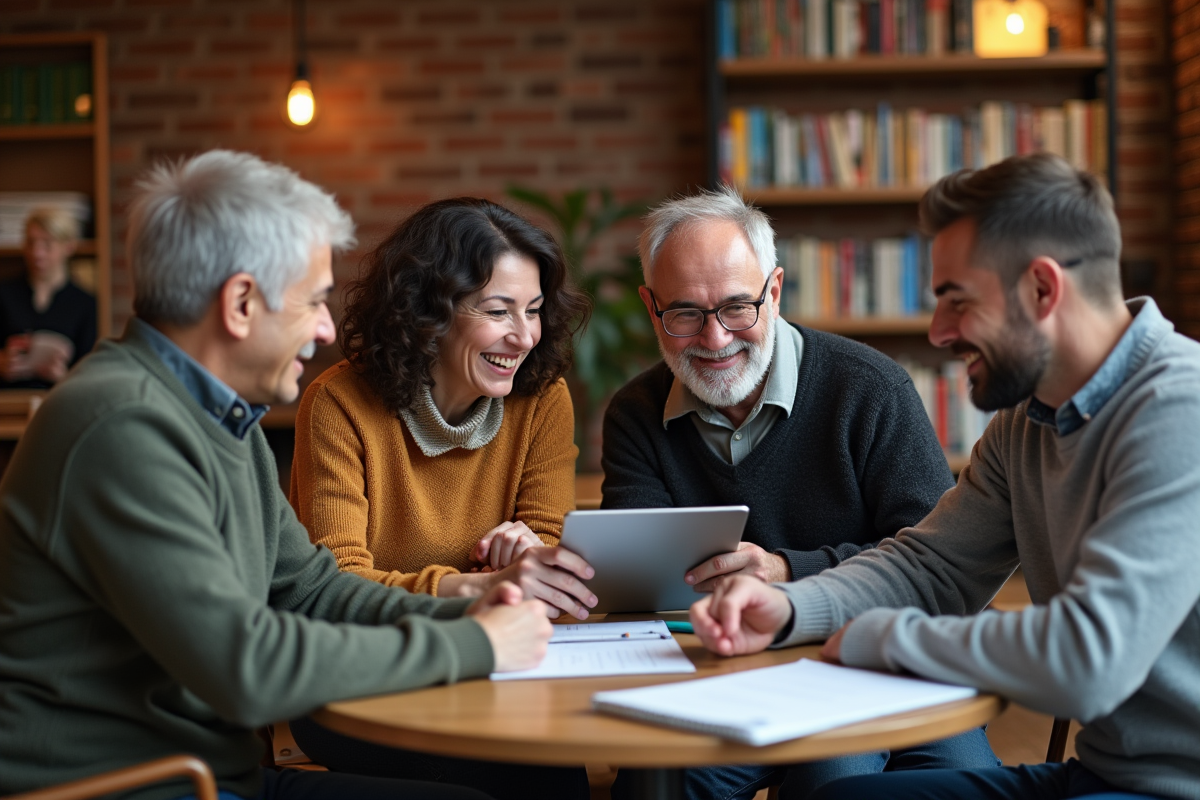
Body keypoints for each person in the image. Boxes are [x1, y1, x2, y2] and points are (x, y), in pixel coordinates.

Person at [0, 150, 554, 800]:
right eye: (314, 300)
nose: (325, 330)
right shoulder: (121, 425)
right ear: (240, 303)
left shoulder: (220, 419)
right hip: (127, 788)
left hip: (206, 776)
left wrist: (461, 608)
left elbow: (309, 588)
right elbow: (246, 665)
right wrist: (476, 648)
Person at [690, 153, 1200, 800]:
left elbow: (1088, 660)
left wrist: (883, 637)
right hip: (1103, 774)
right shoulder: (1029, 422)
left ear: (1043, 290)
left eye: (957, 301)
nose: (938, 333)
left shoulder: (1180, 408)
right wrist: (790, 608)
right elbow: (930, 568)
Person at [603, 186, 998, 800]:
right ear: (651, 306)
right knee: (657, 786)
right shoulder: (635, 412)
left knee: (858, 777)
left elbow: (936, 570)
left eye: (738, 307)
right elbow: (638, 583)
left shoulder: (870, 390)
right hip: (724, 676)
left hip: (881, 665)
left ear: (776, 290)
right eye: (684, 313)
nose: (714, 340)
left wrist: (789, 571)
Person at [286, 197, 596, 800]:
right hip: (363, 678)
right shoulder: (339, 406)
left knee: (556, 772)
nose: (524, 335)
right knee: (525, 776)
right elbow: (335, 585)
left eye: (533, 311)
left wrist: (533, 550)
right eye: (498, 311)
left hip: (494, 669)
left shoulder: (542, 399)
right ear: (429, 312)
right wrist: (476, 587)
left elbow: (549, 550)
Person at [0, 206, 97, 388]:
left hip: (59, 402)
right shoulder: (4, 293)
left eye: (47, 244)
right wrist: (3, 362)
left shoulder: (86, 303)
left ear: (68, 247)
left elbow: (90, 372)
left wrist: (63, 376)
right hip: (8, 401)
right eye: (31, 242)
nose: (37, 253)